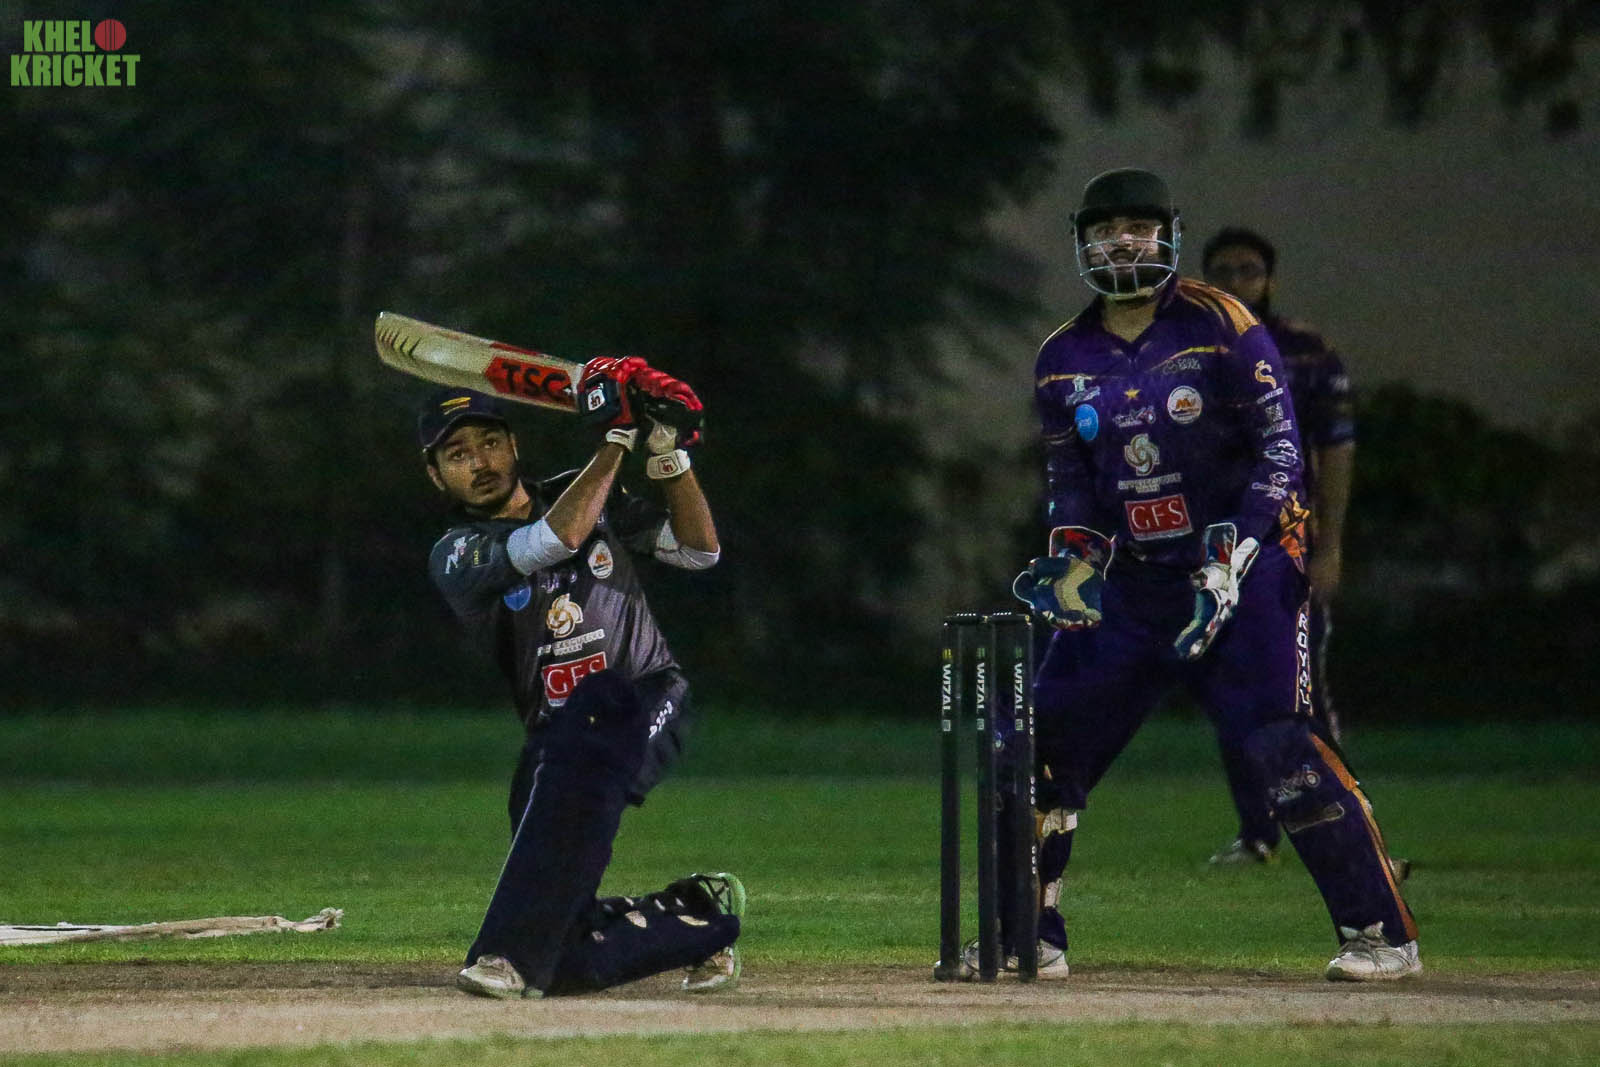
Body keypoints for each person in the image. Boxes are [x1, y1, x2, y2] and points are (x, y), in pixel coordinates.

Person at [1009, 167, 1419, 981]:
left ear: (1169, 235)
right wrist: (1075, 556)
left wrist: (1239, 549)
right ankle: (1032, 935)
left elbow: (1281, 451)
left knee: (1278, 740)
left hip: (1248, 565)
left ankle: (1380, 932)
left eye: (1139, 228)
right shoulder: (1062, 357)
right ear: (1082, 244)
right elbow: (1073, 483)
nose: (1122, 243)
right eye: (1105, 231)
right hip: (1138, 578)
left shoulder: (1222, 322)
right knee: (1041, 743)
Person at [417, 361, 743, 1000]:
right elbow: (555, 537)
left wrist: (666, 451)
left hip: (647, 697)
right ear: (436, 476)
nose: (480, 462)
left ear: (514, 444)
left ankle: (504, 956)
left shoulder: (588, 492)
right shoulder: (455, 553)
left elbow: (700, 550)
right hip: (556, 742)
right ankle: (697, 919)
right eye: (458, 454)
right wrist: (618, 438)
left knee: (600, 704)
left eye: (490, 442)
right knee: (561, 949)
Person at [1198, 227, 1362, 869]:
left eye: (1249, 270)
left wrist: (1330, 546)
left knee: (1301, 693)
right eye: (1223, 271)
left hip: (1284, 546)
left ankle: (1352, 831)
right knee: (1226, 694)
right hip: (1210, 550)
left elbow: (1336, 449)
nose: (1236, 282)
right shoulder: (1183, 350)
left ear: (1270, 279)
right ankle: (1257, 832)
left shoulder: (1305, 352)